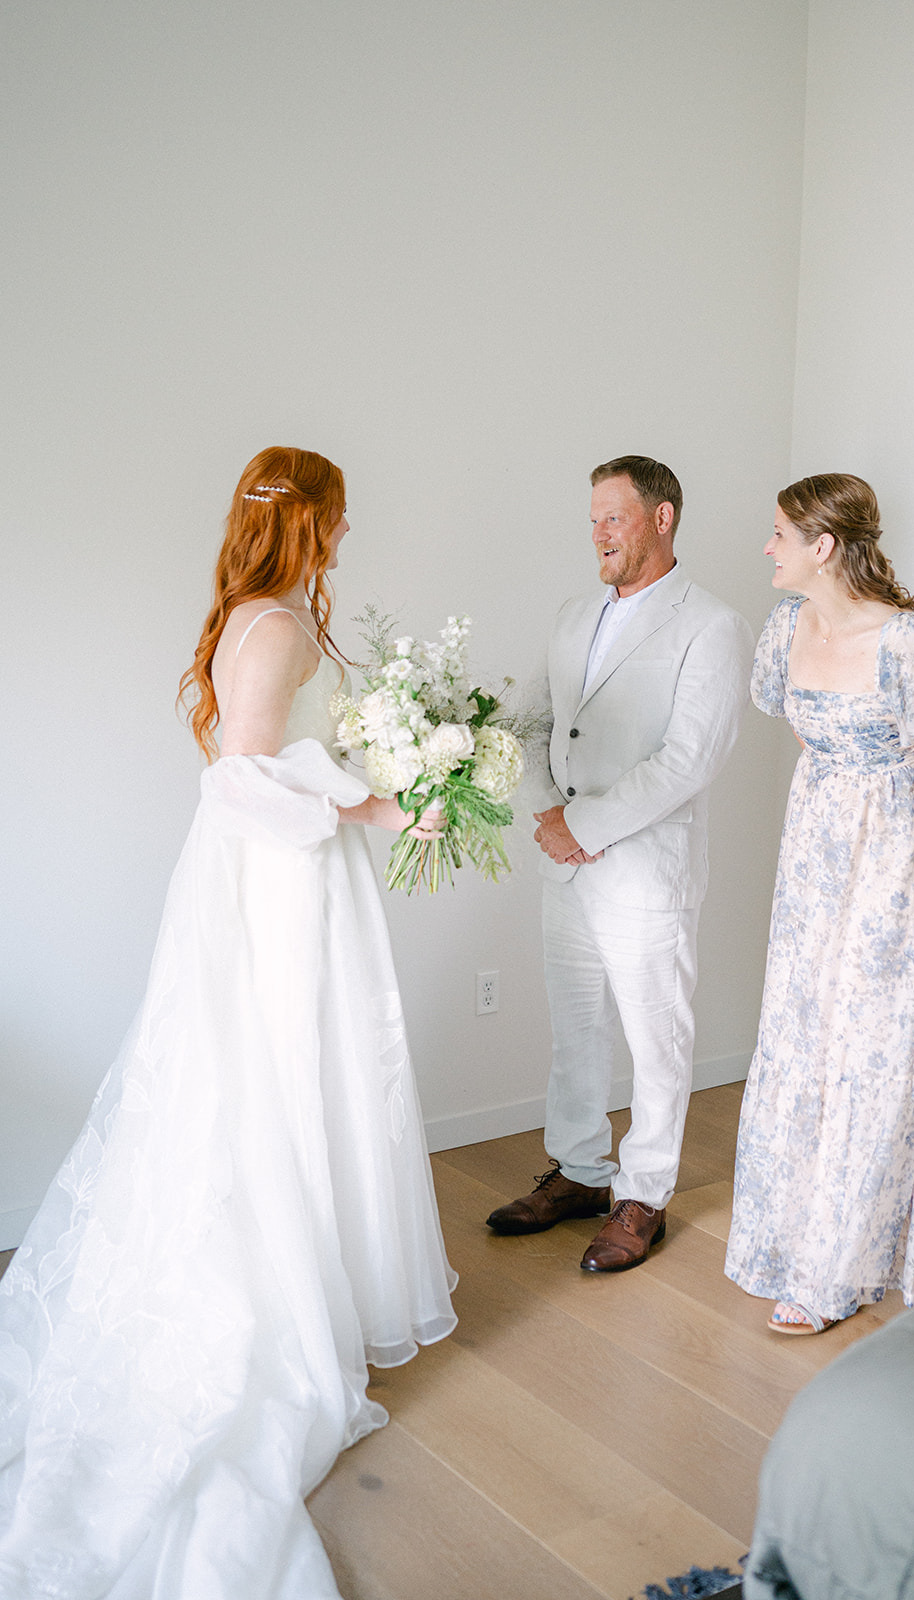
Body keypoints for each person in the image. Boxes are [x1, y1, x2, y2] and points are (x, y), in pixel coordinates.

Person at [0, 447, 457, 1597]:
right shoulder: (283, 629)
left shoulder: (251, 615)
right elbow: (244, 780)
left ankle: (303, 1271)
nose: (349, 537)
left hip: (256, 874)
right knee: (284, 1071)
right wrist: (372, 795)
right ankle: (277, 1306)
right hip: (274, 881)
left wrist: (364, 782)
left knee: (263, 1073)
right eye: (341, 518)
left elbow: (252, 761)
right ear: (309, 522)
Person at [724, 473, 914, 1335]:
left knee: (872, 1051)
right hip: (811, 861)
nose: (765, 547)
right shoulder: (784, 629)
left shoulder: (913, 644)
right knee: (805, 1040)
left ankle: (841, 1266)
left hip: (893, 870)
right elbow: (809, 739)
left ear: (823, 546)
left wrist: (907, 854)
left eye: (778, 533)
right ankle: (787, 1242)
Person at [487, 456, 753, 1271]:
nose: (598, 532)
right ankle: (577, 1171)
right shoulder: (574, 615)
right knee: (576, 1029)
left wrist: (585, 825)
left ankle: (643, 1193)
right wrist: (546, 814)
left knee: (655, 1033)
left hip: (644, 866)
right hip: (564, 861)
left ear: (661, 518)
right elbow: (532, 722)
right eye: (593, 518)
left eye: (614, 516)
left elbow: (688, 760)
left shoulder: (710, 625)